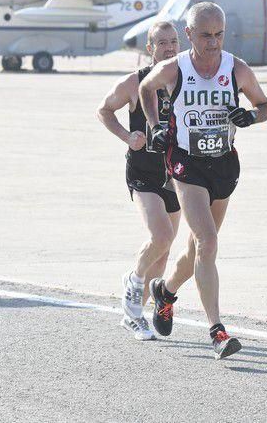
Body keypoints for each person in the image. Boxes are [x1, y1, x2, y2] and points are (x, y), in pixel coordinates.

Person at [139, 2, 267, 359]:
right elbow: (146, 89)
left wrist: (251, 117)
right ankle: (217, 331)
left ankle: (165, 292)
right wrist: (155, 127)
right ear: (189, 34)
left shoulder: (236, 69)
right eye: (205, 36)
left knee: (199, 249)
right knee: (208, 241)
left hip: (224, 164)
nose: (213, 43)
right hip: (186, 163)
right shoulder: (174, 68)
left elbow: (266, 105)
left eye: (219, 35)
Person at [96, 21, 195, 340]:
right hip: (143, 173)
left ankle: (134, 313)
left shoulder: (187, 80)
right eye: (162, 43)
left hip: (176, 175)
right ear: (150, 49)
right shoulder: (135, 82)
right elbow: (104, 110)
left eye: (173, 41)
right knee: (162, 235)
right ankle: (135, 282)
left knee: (163, 252)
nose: (169, 47)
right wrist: (127, 136)